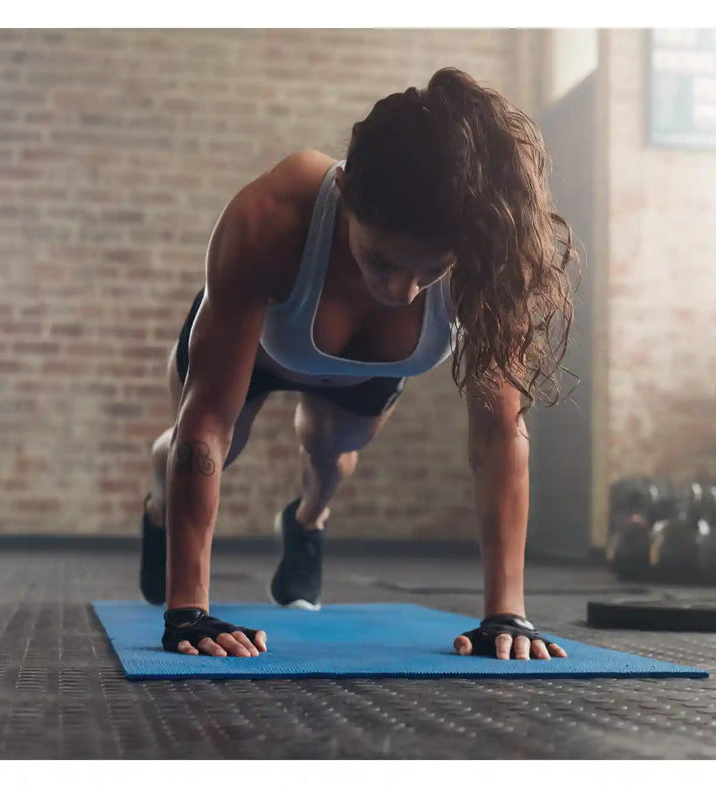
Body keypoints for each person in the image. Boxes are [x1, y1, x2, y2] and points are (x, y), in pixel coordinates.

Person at [138, 67, 577, 661]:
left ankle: (307, 522)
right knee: (209, 450)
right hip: (256, 348)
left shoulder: (486, 256)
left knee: (330, 453)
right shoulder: (270, 216)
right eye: (382, 260)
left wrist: (507, 614)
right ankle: (158, 509)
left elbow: (499, 431)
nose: (403, 293)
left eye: (431, 271)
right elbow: (209, 418)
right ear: (344, 192)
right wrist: (188, 610)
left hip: (364, 369)